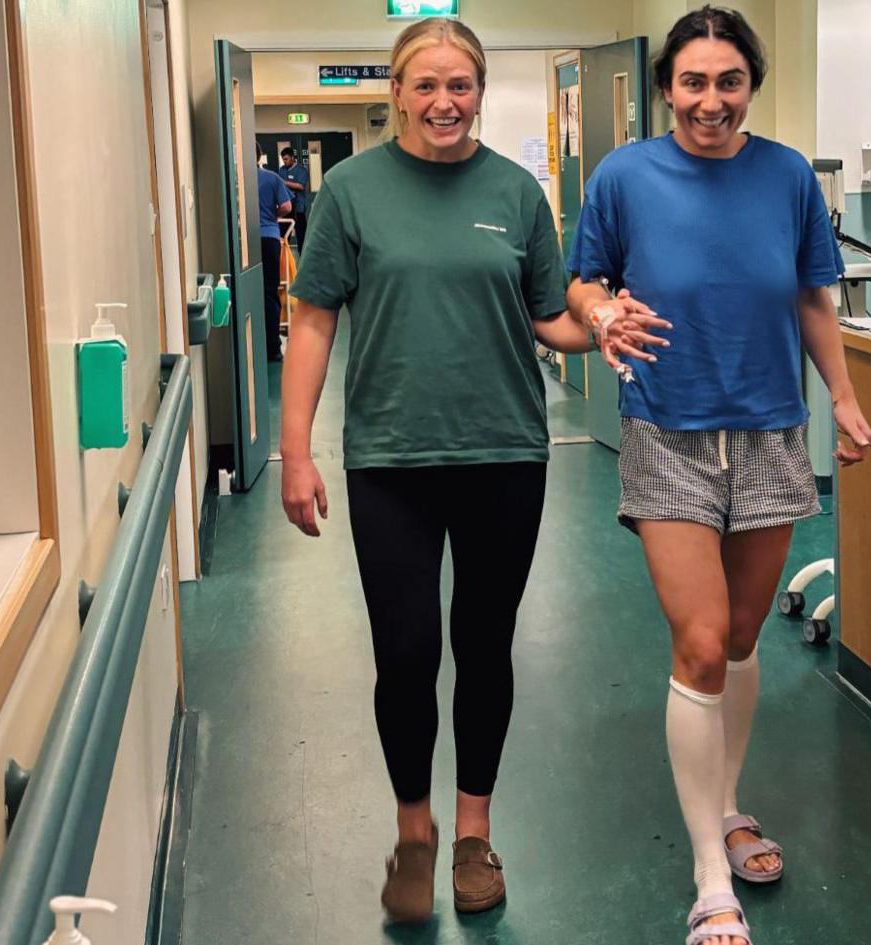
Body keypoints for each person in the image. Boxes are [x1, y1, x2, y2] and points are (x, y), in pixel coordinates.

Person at [280, 16, 606, 924]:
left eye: (459, 85)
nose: (443, 102)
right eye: (424, 85)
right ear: (395, 92)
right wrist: (296, 449)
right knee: (407, 654)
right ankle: (413, 833)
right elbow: (313, 321)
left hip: (505, 452)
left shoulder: (517, 192)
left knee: (485, 647)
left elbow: (551, 316)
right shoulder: (348, 192)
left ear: (481, 89)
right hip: (390, 458)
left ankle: (473, 835)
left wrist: (609, 326)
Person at [564, 8, 871, 945]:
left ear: (751, 84)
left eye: (728, 81)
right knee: (698, 642)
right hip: (668, 431)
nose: (710, 100)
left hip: (773, 430)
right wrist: (601, 312)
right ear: (667, 88)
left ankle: (729, 803)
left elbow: (814, 295)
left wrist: (845, 397)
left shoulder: (785, 176)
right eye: (693, 82)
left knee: (743, 638)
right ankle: (710, 871)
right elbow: (583, 284)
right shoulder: (624, 175)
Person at [256, 146, 293, 361]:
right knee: (270, 293)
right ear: (259, 156)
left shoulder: (237, 180)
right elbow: (287, 206)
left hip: (245, 242)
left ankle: (252, 346)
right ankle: (273, 349)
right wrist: (272, 215)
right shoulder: (271, 178)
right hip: (269, 237)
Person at [279, 145, 311, 251]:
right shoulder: (282, 170)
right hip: (286, 206)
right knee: (283, 234)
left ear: (292, 158)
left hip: (298, 207)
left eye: (286, 159)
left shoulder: (301, 170)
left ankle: (303, 258)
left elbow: (301, 186)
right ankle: (283, 256)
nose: (284, 161)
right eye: (283, 159)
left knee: (301, 234)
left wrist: (285, 182)